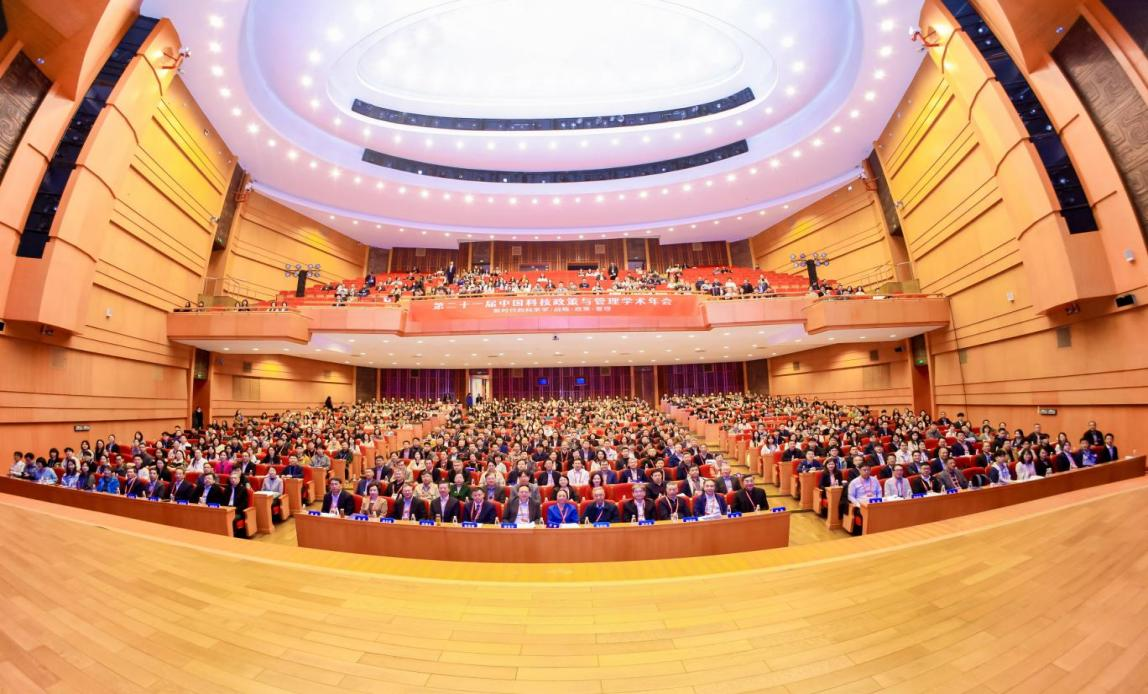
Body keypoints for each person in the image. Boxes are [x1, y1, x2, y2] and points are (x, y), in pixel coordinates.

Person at [222, 470, 252, 538]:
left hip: (237, 511)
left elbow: (244, 504)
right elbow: (223, 501)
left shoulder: (243, 489)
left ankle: (232, 535)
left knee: (230, 519)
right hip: (227, 510)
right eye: (231, 478)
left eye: (235, 478)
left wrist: (234, 509)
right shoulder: (227, 488)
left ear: (239, 479)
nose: (233, 480)